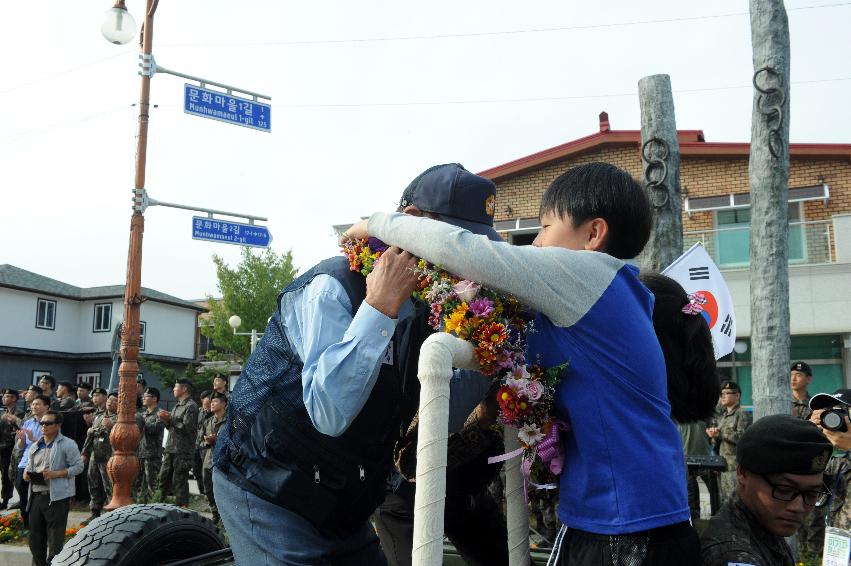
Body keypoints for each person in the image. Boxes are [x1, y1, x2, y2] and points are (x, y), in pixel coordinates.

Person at [346, 162, 700, 564]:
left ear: (593, 234)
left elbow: (467, 251)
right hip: (613, 518)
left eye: (545, 228)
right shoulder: (594, 301)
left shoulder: (589, 276)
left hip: (629, 529)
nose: (534, 244)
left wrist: (375, 224)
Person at [214, 163, 499, 565]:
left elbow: (438, 414)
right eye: (456, 244)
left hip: (346, 503)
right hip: (269, 490)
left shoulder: (435, 312)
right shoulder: (332, 287)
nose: (467, 266)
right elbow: (328, 412)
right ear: (411, 224)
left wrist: (488, 362)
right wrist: (379, 308)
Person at [698, 414, 832, 566]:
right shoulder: (732, 554)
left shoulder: (763, 525)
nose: (798, 507)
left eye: (812, 494)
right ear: (743, 474)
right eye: (784, 490)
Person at [23, 410, 84, 566]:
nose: (44, 426)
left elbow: (78, 467)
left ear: (58, 425)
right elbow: (29, 466)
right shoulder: (35, 445)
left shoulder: (68, 444)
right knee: (35, 540)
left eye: (48, 423)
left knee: (55, 542)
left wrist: (56, 474)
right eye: (41, 423)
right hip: (36, 496)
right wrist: (26, 473)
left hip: (57, 498)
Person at [706, 381, 752, 504]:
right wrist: (713, 437)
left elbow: (743, 438)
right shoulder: (723, 417)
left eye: (727, 393)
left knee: (736, 501)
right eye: (721, 394)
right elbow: (719, 443)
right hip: (723, 466)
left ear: (737, 396)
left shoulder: (742, 414)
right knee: (725, 501)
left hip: (735, 467)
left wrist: (720, 434)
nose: (723, 396)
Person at [159, 378, 199, 508]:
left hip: (182, 450)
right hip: (171, 448)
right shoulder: (177, 405)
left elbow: (188, 428)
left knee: (179, 481)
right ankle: (160, 506)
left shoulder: (191, 406)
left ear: (184, 389)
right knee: (163, 478)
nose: (173, 390)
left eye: (176, 387)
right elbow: (172, 427)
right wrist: (167, 421)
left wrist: (171, 419)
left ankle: (182, 511)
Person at [81, 391, 117, 521]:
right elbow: (90, 435)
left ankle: (111, 514)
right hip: (94, 455)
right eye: (109, 400)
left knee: (108, 485)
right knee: (93, 483)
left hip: (109, 456)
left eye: (114, 401)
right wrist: (84, 452)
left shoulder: (119, 418)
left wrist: (111, 427)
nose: (110, 402)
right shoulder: (99, 416)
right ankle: (95, 512)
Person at [15, 394, 50, 525]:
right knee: (21, 490)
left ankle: (39, 522)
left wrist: (33, 438)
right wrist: (23, 440)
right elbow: (20, 447)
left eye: (38, 404)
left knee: (38, 494)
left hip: (40, 463)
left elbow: (50, 444)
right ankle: (26, 523)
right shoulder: (28, 422)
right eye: (33, 404)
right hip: (25, 462)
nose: (34, 406)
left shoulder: (51, 423)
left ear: (46, 406)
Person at [201, 392, 227, 524]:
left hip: (223, 460)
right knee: (208, 487)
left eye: (215, 401)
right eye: (211, 402)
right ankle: (214, 512)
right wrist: (207, 441)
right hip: (208, 458)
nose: (212, 404)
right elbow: (199, 440)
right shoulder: (208, 421)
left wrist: (217, 440)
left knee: (221, 488)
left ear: (224, 404)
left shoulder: (229, 421)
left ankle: (224, 516)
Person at [137, 387, 165, 502]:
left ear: (154, 399)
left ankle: (154, 509)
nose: (144, 398)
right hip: (140, 453)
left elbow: (156, 429)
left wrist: (142, 423)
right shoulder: (142, 414)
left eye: (147, 396)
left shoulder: (160, 414)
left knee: (152, 485)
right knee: (141, 486)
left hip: (153, 455)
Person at [1, 388, 24, 509]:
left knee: (10, 474)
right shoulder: (4, 412)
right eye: (4, 396)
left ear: (14, 398)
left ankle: (7, 500)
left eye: (8, 396)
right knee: (4, 474)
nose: (4, 398)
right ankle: (5, 498)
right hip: (2, 447)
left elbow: (19, 429)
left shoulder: (19, 413)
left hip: (11, 448)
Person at [194, 390, 212, 496]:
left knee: (206, 471)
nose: (210, 400)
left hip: (206, 446)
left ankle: (208, 494)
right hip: (196, 445)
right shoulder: (198, 411)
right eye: (208, 398)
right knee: (196, 470)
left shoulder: (213, 412)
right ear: (202, 400)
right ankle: (202, 492)